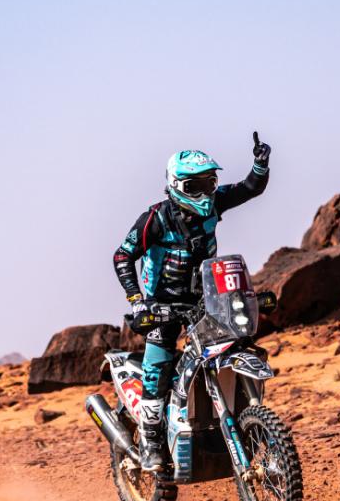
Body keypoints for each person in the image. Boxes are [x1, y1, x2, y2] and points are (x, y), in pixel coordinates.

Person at [112, 133, 271, 470]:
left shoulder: (214, 203)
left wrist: (260, 164)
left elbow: (249, 188)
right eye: (194, 186)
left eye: (209, 184)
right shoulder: (156, 218)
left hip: (204, 300)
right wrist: (137, 301)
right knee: (158, 367)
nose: (204, 194)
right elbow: (123, 256)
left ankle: (242, 423)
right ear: (175, 186)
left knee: (237, 344)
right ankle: (152, 443)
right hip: (162, 305)